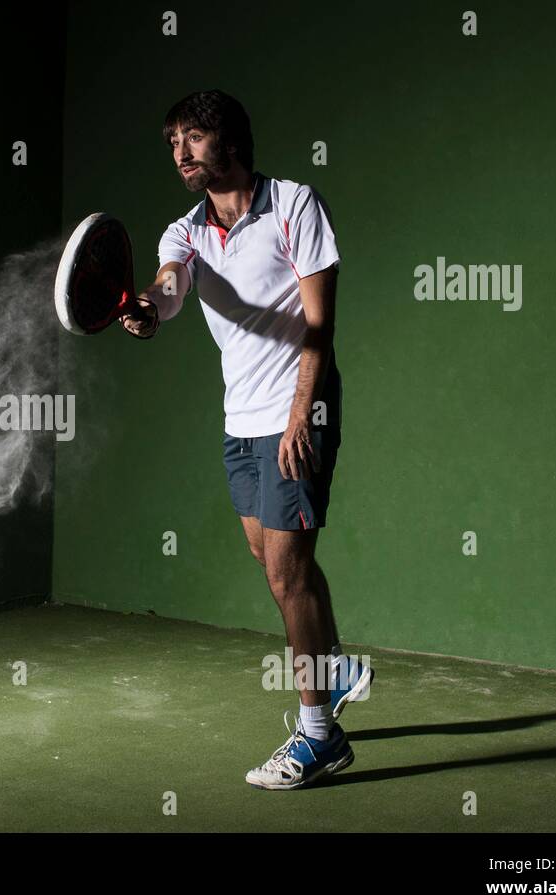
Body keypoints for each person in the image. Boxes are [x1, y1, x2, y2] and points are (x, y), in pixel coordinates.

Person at [126, 89, 373, 790]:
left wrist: (302, 416)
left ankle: (319, 736)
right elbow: (172, 286)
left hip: (301, 410)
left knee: (285, 574)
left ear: (229, 140)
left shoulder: (295, 205)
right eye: (173, 140)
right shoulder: (185, 232)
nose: (179, 152)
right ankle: (337, 667)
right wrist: (150, 307)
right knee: (269, 554)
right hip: (240, 422)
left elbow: (319, 327)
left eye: (193, 138)